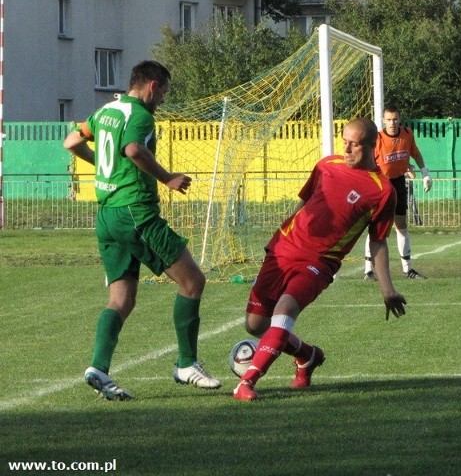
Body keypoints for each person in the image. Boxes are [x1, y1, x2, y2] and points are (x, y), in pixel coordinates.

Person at [63, 60, 222, 401]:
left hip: (106, 216)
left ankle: (98, 368)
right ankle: (186, 363)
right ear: (152, 86)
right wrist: (168, 178)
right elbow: (134, 149)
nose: (162, 99)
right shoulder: (140, 116)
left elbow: (71, 142)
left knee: (121, 299)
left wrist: (106, 166)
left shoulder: (105, 111)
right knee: (193, 281)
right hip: (136, 212)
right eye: (163, 91)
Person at [233, 117, 407, 401]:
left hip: (318, 262)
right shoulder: (327, 165)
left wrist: (387, 289)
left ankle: (247, 382)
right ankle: (307, 355)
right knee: (255, 325)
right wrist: (286, 233)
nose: (347, 149)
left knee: (284, 312)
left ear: (372, 145)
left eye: (355, 144)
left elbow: (377, 241)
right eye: (345, 142)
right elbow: (305, 202)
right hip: (282, 249)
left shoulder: (382, 190)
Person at [363, 104, 432, 281]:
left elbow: (415, 153)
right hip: (380, 185)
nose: (392, 123)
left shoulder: (407, 134)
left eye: (395, 119)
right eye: (389, 120)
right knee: (376, 227)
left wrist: (425, 173)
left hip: (399, 182)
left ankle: (408, 269)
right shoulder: (377, 139)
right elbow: (368, 161)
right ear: (383, 121)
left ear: (399, 119)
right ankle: (368, 270)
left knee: (401, 226)